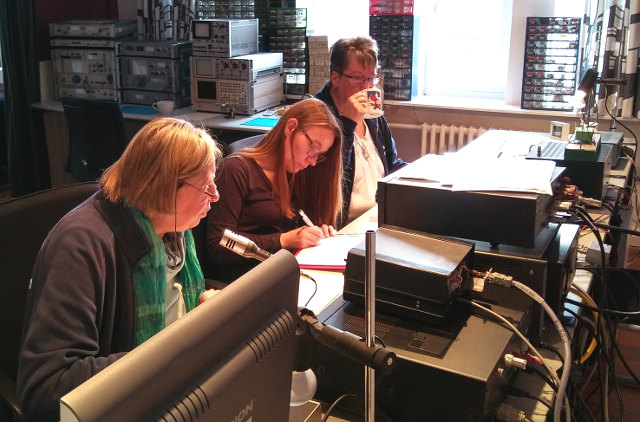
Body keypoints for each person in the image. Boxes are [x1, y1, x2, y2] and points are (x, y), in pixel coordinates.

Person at [17, 118, 223, 422]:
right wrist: (181, 346)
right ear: (166, 186)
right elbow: (48, 390)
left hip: (171, 389)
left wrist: (202, 316)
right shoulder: (79, 246)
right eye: (206, 186)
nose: (215, 195)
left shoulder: (174, 230)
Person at [205, 98, 343, 282]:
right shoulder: (236, 170)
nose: (312, 161)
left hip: (285, 273)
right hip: (247, 282)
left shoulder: (297, 172)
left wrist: (317, 233)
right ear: (290, 128)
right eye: (313, 148)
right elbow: (218, 244)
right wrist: (284, 240)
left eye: (319, 154)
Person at [315, 36, 407, 226]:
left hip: (378, 215)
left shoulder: (373, 115)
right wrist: (347, 124)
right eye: (358, 78)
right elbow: (326, 179)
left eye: (371, 78)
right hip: (344, 224)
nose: (366, 86)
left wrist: (420, 174)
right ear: (335, 78)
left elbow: (391, 164)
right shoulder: (317, 116)